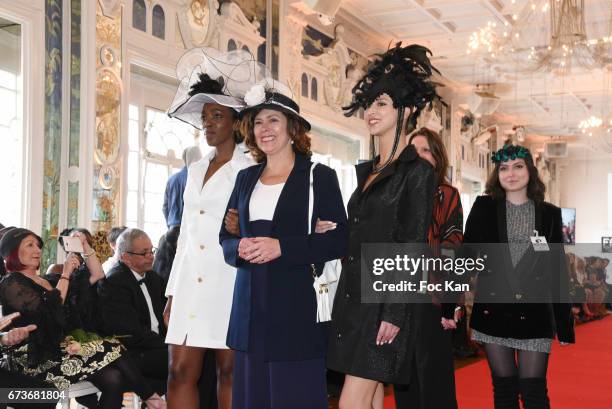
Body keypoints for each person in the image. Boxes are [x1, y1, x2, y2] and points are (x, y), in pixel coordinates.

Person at [326, 43, 446, 409]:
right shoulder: (367, 172)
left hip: (384, 304)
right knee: (371, 399)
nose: (371, 112)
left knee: (351, 403)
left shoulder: (418, 173)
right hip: (352, 299)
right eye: (370, 103)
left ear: (404, 110)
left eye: (382, 103)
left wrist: (394, 311)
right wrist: (333, 230)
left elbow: (412, 244)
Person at [219, 81, 347, 409]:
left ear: (292, 128)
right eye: (258, 122)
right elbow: (226, 237)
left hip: (296, 311)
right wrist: (239, 248)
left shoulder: (320, 177)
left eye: (273, 120)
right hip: (249, 312)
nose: (265, 128)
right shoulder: (245, 179)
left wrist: (283, 247)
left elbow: (339, 239)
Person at [163, 47, 255, 409]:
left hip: (229, 279)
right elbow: (184, 235)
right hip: (189, 281)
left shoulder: (251, 167)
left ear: (236, 121)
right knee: (179, 370)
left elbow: (263, 223)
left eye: (217, 115)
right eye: (205, 117)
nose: (209, 123)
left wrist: (243, 226)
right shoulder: (195, 169)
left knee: (229, 372)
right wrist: (172, 292)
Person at [0, 227, 165, 409]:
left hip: (65, 350)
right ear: (13, 252)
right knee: (111, 345)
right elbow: (50, 309)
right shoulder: (11, 283)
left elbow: (97, 275)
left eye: (38, 245)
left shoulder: (50, 279)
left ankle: (151, 399)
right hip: (34, 358)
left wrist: (85, 247)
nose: (37, 250)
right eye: (29, 245)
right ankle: (151, 397)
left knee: (113, 378)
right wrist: (66, 273)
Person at [463, 144, 575, 409]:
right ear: (497, 174)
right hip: (493, 311)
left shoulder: (549, 214)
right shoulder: (483, 207)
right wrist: (450, 302)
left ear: (530, 171)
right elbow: (465, 257)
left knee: (534, 391)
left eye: (518, 166)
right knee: (504, 390)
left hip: (535, 314)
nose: (510, 174)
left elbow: (557, 270)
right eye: (503, 168)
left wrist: (565, 325)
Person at [389, 127, 464, 408]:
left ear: (437, 157)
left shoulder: (446, 194)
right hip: (399, 297)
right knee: (404, 378)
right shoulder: (396, 194)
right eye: (414, 150)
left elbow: (452, 247)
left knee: (434, 379)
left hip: (432, 298)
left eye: (425, 150)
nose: (419, 155)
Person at [98, 228, 168, 396]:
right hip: (133, 353)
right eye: (144, 253)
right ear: (126, 257)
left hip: (156, 346)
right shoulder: (115, 282)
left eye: (152, 251)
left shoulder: (153, 278)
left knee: (198, 356)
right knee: (187, 362)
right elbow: (130, 333)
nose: (151, 256)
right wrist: (167, 343)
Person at [163, 146, 202, 228]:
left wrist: (170, 224)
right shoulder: (194, 179)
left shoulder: (171, 179)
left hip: (172, 227)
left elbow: (165, 207)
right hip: (187, 227)